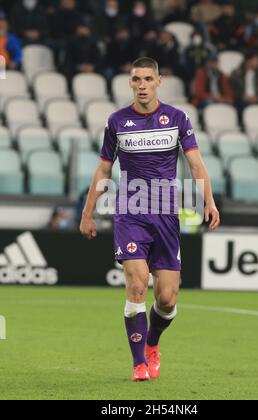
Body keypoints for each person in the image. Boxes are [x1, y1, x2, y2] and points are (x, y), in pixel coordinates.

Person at [80, 57, 220, 381]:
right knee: (137, 283)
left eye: (147, 79)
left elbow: (196, 164)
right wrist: (88, 213)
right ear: (130, 83)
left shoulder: (177, 118)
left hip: (166, 216)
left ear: (159, 81)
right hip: (131, 213)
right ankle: (139, 363)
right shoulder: (116, 121)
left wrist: (208, 202)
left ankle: (153, 343)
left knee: (167, 299)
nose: (141, 85)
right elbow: (103, 168)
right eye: (136, 80)